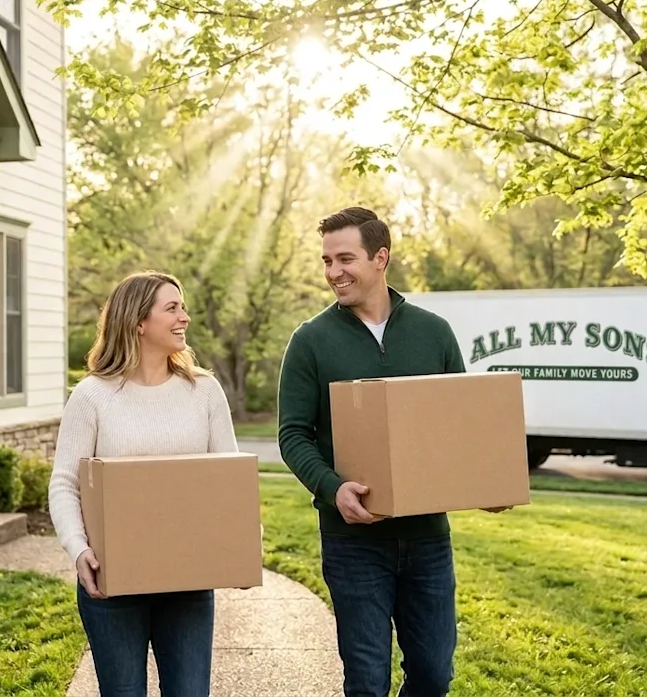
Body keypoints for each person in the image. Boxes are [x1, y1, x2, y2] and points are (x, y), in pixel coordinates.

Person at [276, 207, 509, 697]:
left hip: (427, 539)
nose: (333, 272)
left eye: (345, 258)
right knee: (366, 680)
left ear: (380, 257)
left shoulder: (433, 332)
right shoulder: (310, 341)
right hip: (352, 542)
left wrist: (484, 483)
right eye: (325, 261)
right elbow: (293, 434)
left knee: (432, 675)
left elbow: (458, 427)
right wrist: (333, 488)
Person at [49, 270, 239, 697]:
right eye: (172, 308)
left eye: (183, 307)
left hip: (188, 581)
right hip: (113, 583)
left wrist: (240, 547)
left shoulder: (204, 392)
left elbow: (231, 482)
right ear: (138, 321)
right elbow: (65, 483)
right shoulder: (93, 396)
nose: (184, 317)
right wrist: (79, 551)